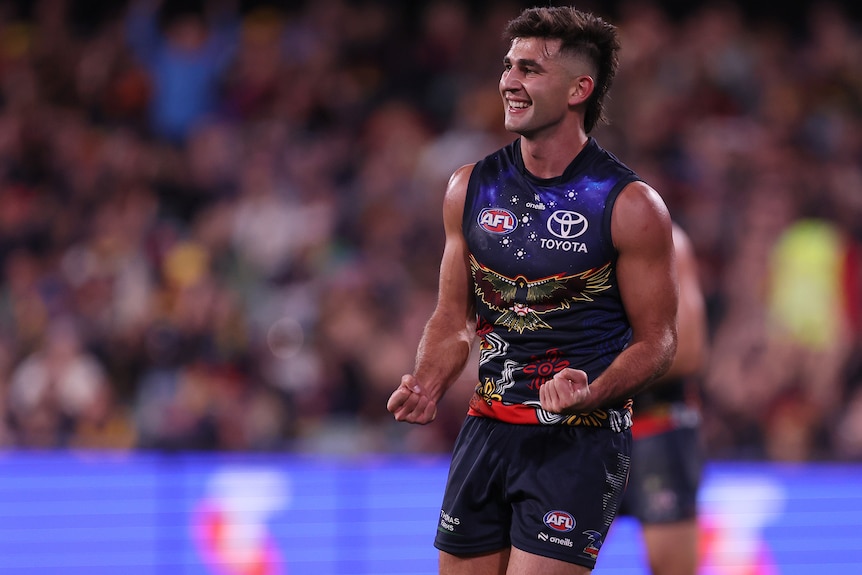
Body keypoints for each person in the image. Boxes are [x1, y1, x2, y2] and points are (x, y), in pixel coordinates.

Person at [387, 6, 678, 575]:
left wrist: (593, 389)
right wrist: (427, 379)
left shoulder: (630, 205)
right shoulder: (468, 187)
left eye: (530, 69)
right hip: (486, 429)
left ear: (579, 89)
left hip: (579, 442)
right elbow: (452, 320)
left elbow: (658, 342)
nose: (509, 81)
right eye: (508, 66)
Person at [617, 223, 708, 575]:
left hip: (656, 424)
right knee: (554, 556)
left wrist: (598, 377)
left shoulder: (666, 239)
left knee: (671, 566)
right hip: (586, 427)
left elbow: (688, 351)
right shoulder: (561, 244)